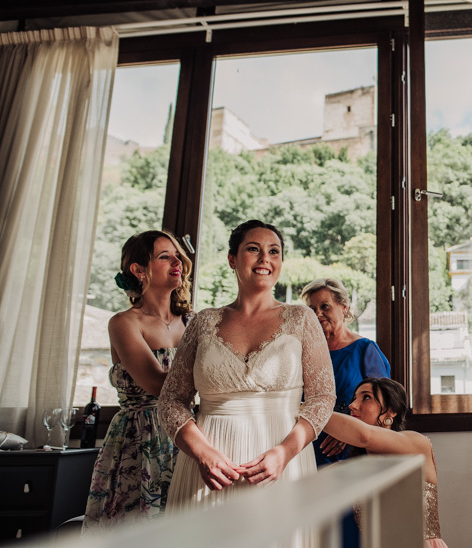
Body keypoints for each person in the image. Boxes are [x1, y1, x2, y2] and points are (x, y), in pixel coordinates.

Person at [158, 220, 335, 540]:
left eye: (274, 251)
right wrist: (202, 453)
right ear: (232, 259)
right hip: (208, 471)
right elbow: (171, 399)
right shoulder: (203, 322)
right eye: (254, 249)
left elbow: (323, 397)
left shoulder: (302, 319)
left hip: (282, 465)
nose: (265, 258)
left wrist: (285, 452)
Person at [83, 230, 193, 529]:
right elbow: (158, 384)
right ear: (138, 269)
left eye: (178, 255)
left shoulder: (192, 322)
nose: (178, 262)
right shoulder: (124, 323)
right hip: (140, 439)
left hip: (187, 435)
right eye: (165, 256)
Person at [324, 378, 449, 548]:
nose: (352, 405)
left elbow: (365, 436)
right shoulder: (351, 469)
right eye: (354, 399)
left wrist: (307, 410)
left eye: (366, 397)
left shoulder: (417, 444)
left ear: (391, 410)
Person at [300, 278, 390, 466]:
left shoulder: (365, 349)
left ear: (344, 307)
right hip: (305, 445)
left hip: (350, 449)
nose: (318, 313)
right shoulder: (303, 351)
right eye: (312, 309)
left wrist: (347, 429)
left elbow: (382, 403)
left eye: (325, 306)